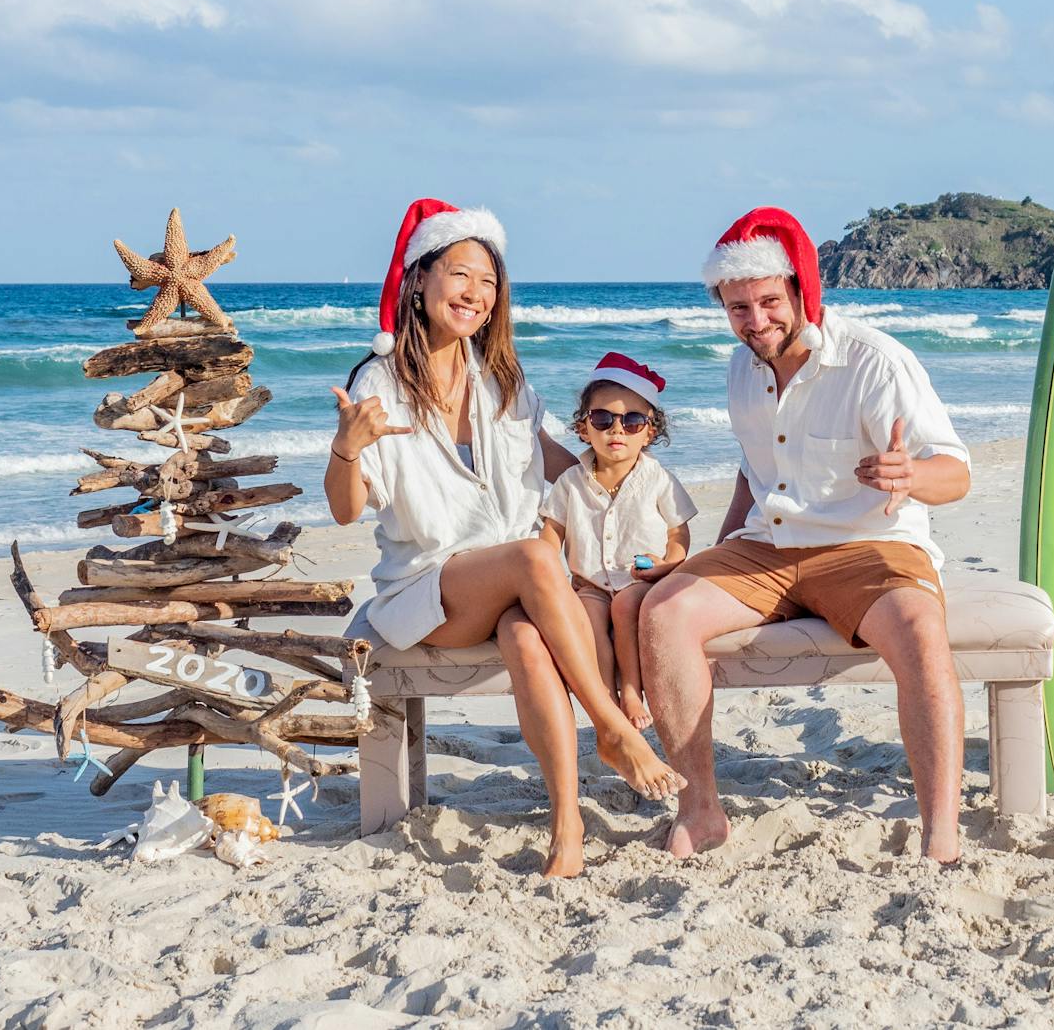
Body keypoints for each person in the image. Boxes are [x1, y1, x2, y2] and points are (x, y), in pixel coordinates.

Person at [325, 199, 687, 878]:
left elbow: (552, 463)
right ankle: (611, 728)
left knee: (527, 634)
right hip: (428, 590)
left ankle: (567, 826)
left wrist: (631, 470)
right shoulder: (377, 383)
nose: (476, 294)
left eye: (489, 283)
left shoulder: (500, 379)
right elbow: (346, 511)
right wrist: (346, 450)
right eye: (461, 274)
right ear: (419, 280)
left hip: (519, 586)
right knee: (533, 554)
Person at [640, 206, 974, 861]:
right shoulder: (742, 368)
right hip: (769, 547)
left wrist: (911, 475)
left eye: (768, 301)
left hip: (869, 546)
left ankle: (941, 833)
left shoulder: (875, 361)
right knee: (664, 612)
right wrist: (719, 545)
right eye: (738, 308)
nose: (755, 321)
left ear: (799, 288)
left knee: (920, 630)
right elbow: (754, 467)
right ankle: (701, 811)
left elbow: (956, 474)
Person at [539, 352, 696, 730]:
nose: (617, 430)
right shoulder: (570, 482)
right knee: (588, 616)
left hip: (638, 581)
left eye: (632, 421)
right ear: (583, 428)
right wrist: (545, 580)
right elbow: (550, 534)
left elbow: (679, 532)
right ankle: (605, 694)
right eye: (603, 419)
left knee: (625, 608)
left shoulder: (658, 479)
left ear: (650, 432)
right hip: (590, 582)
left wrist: (668, 564)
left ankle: (630, 687)